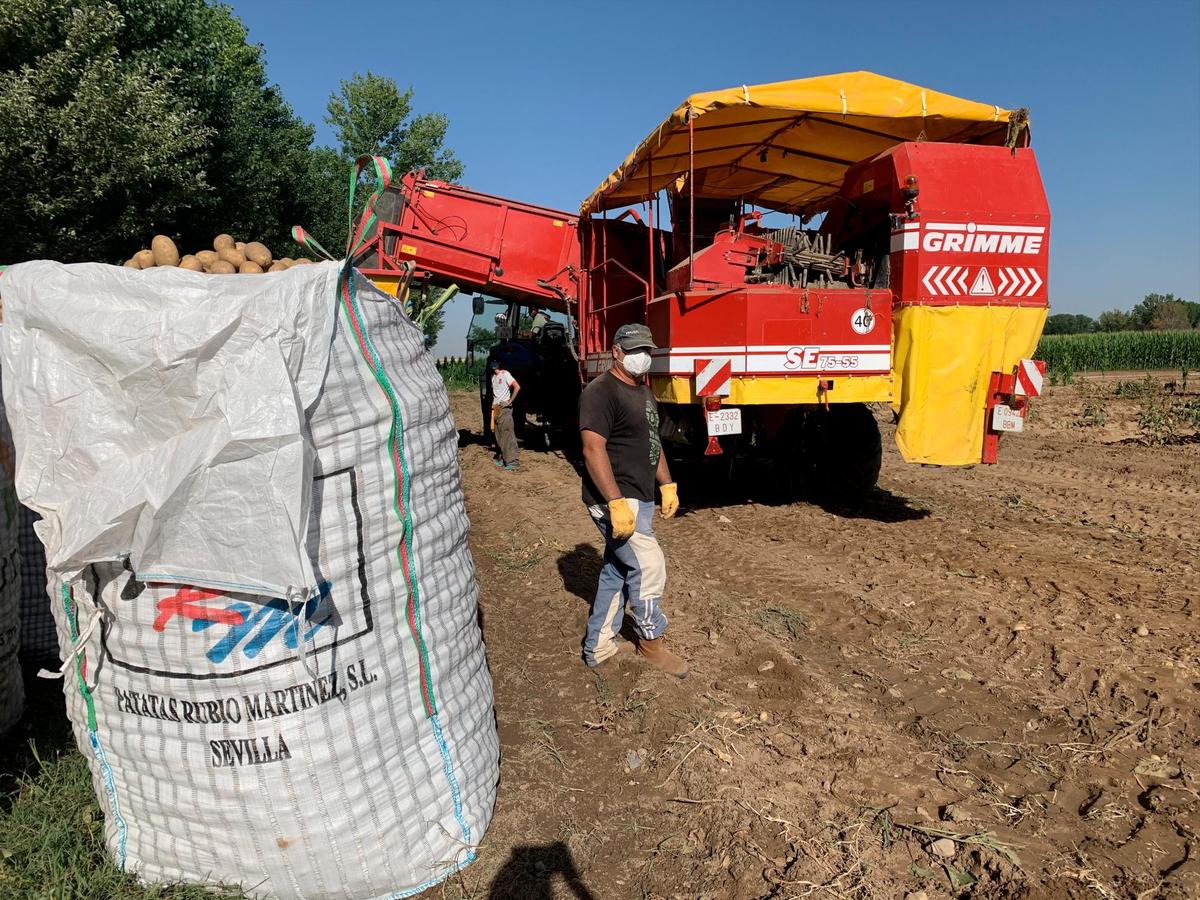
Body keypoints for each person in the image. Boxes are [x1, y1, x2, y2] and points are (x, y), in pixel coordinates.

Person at [578, 323, 685, 677]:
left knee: (618, 569)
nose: (642, 357)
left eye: (647, 351)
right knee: (649, 564)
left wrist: (666, 484)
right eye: (635, 350)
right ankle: (652, 641)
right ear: (616, 352)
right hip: (614, 500)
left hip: (640, 498)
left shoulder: (644, 393)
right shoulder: (600, 392)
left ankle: (599, 646)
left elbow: (653, 444)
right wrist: (614, 501)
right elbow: (593, 448)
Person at [490, 360, 520, 471]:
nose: (493, 365)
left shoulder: (505, 374)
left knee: (507, 434)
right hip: (496, 407)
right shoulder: (493, 377)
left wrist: (509, 401)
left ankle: (513, 461)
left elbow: (517, 387)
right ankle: (503, 458)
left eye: (495, 363)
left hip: (504, 407)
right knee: (498, 434)